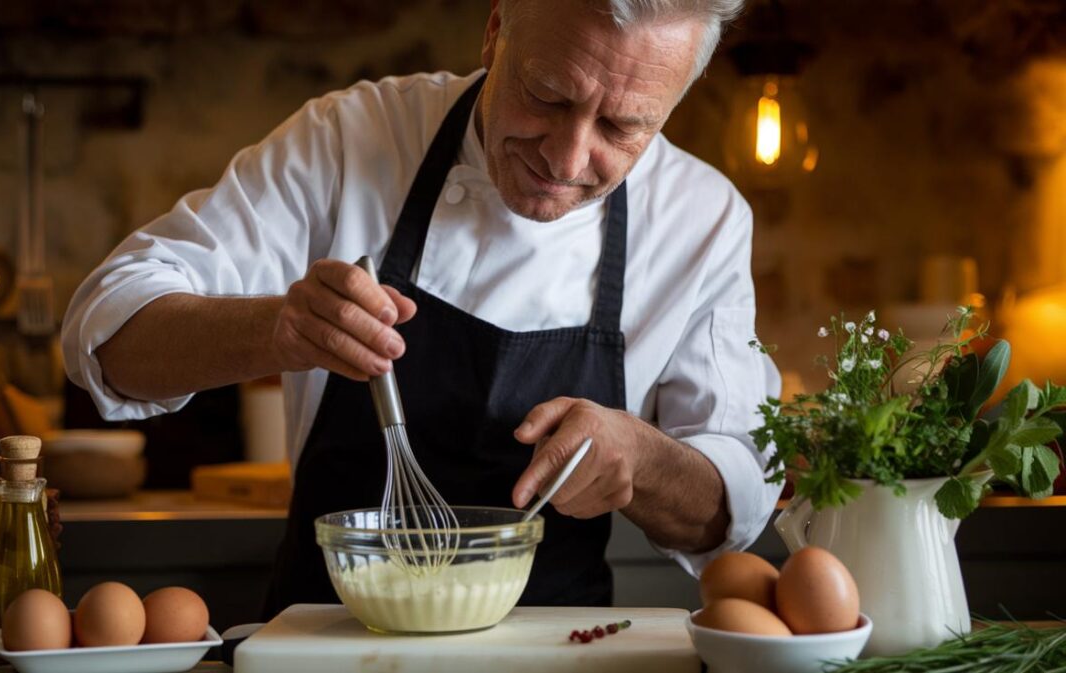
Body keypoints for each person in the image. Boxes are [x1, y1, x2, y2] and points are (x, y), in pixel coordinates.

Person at [62, 0, 781, 615]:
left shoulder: (701, 219)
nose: (566, 159)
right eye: (548, 95)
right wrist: (275, 328)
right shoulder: (350, 140)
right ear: (496, 29)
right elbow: (107, 333)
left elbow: (735, 503)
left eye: (622, 128)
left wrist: (643, 459)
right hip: (333, 644)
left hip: (562, 652)